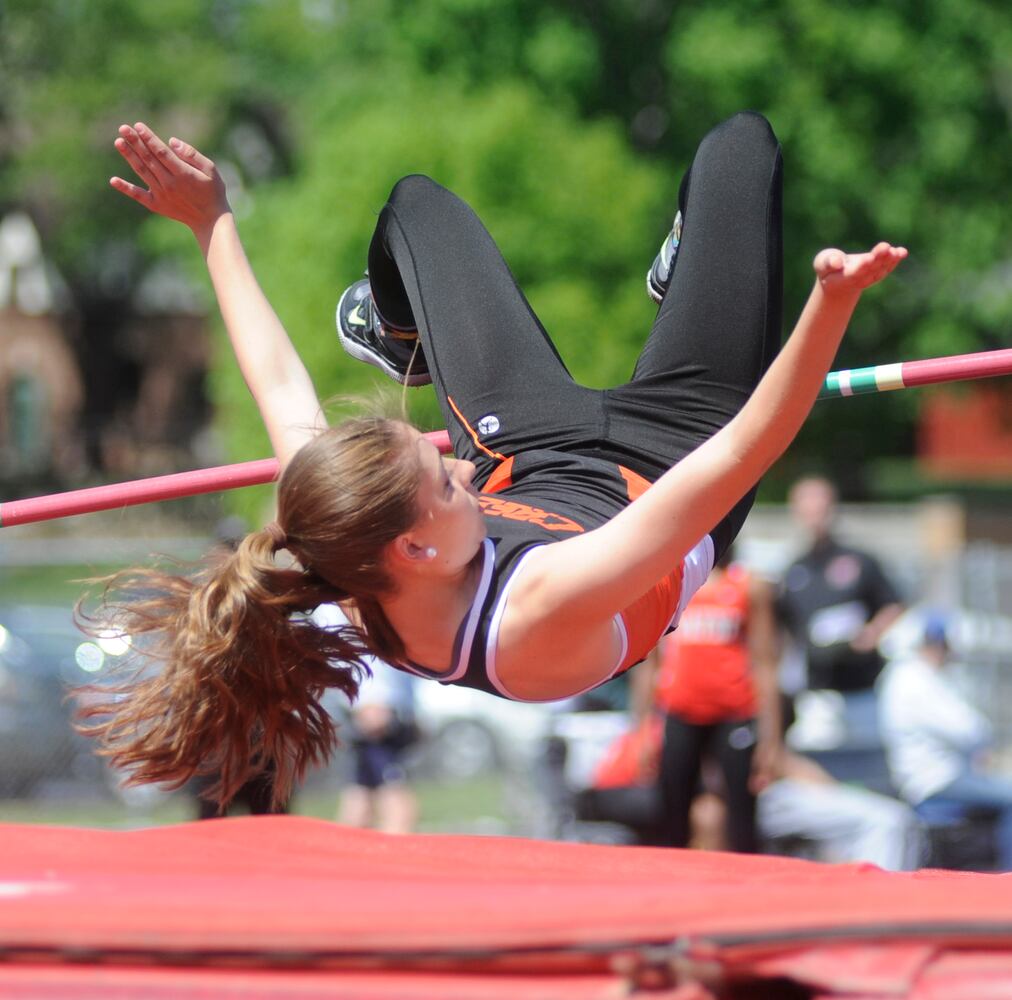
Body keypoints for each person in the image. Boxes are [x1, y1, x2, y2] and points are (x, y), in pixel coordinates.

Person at [77, 113, 907, 809]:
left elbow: (281, 387)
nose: (460, 467)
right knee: (739, 149)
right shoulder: (538, 605)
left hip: (532, 448)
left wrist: (211, 221)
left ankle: (400, 336)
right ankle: (690, 271)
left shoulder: (350, 543)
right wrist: (828, 306)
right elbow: (743, 447)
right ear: (419, 548)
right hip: (676, 452)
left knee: (417, 208)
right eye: (444, 479)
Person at [641, 548, 781, 852]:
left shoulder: (748, 585)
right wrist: (642, 729)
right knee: (672, 816)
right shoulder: (672, 581)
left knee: (742, 821)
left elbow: (765, 662)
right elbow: (650, 663)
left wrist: (771, 739)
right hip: (681, 711)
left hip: (734, 713)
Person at [878, 614, 1012, 869]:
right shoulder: (914, 678)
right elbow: (971, 729)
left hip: (939, 778)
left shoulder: (909, 676)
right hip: (937, 782)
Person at [778, 476, 904, 696]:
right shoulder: (793, 570)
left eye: (820, 508)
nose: (814, 516)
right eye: (807, 509)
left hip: (863, 686)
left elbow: (893, 604)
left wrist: (871, 634)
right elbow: (785, 627)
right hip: (817, 688)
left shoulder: (859, 561)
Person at [313, 604, 419, 834]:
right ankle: (348, 862)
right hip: (358, 710)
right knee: (359, 793)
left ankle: (395, 856)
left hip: (376, 709)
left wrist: (375, 701)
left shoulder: (355, 600)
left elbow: (370, 653)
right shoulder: (329, 604)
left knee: (391, 795)